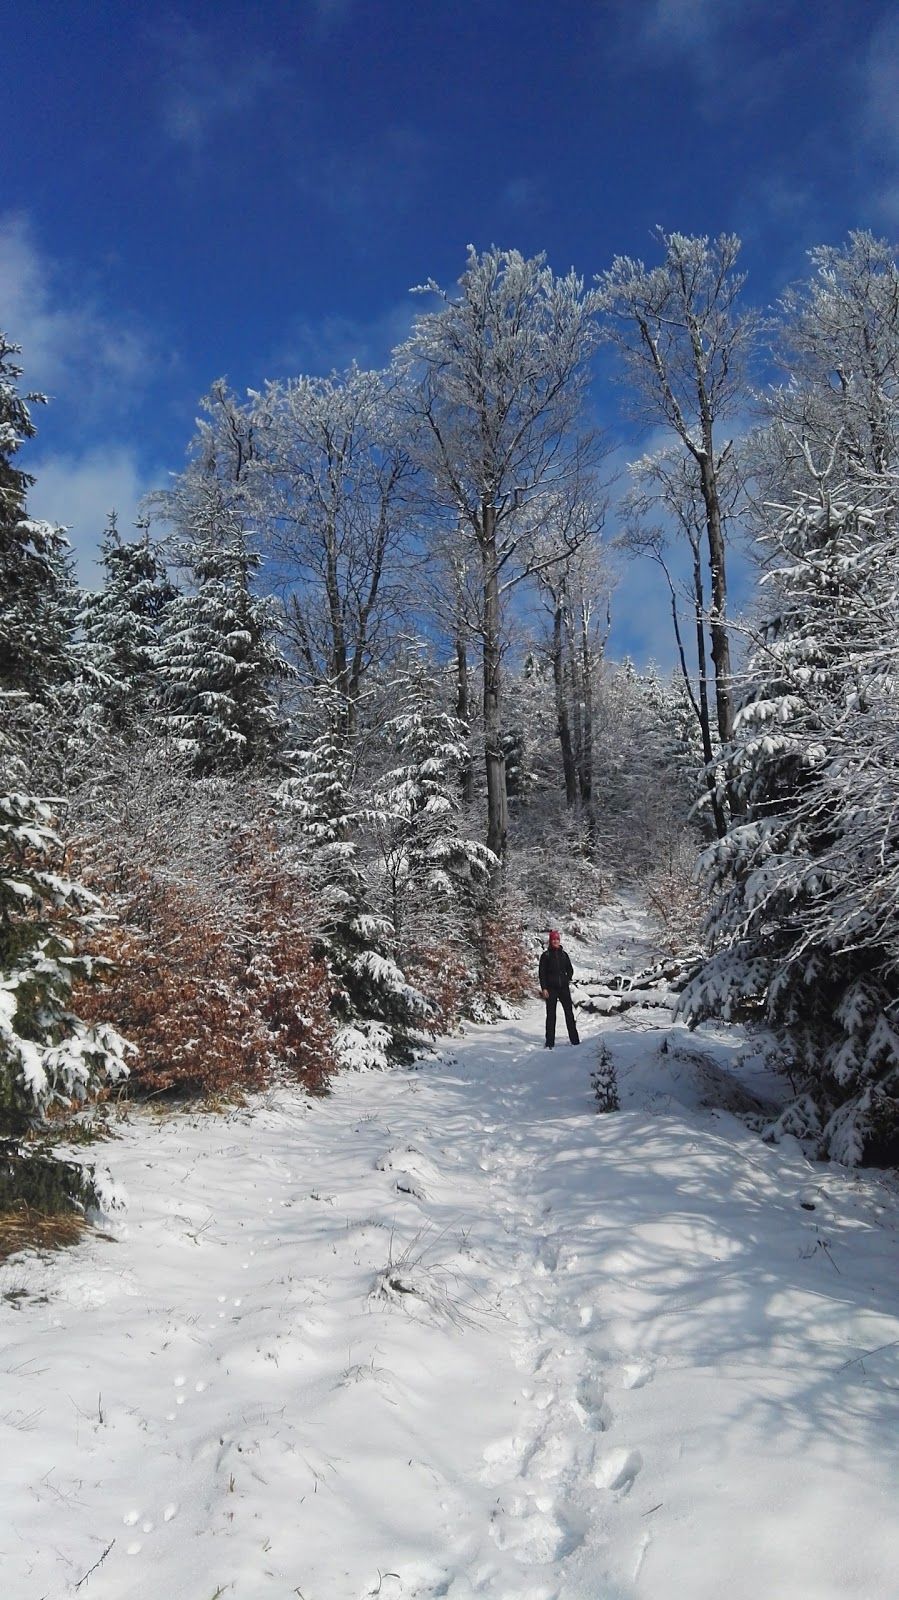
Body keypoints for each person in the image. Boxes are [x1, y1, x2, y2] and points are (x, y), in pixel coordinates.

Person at [539, 929, 580, 1048]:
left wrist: (567, 978)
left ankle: (575, 1041)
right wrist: (544, 988)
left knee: (569, 1014)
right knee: (551, 1016)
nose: (555, 941)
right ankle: (550, 1042)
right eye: (553, 939)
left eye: (557, 939)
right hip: (551, 989)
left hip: (564, 989)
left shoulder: (564, 954)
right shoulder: (545, 956)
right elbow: (542, 973)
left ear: (559, 940)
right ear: (550, 941)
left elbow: (570, 969)